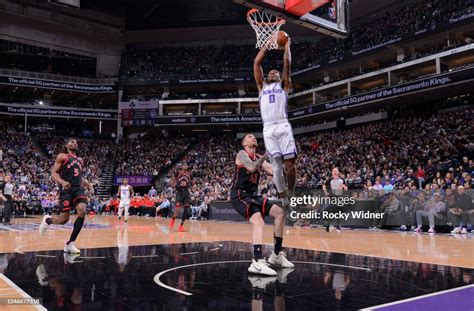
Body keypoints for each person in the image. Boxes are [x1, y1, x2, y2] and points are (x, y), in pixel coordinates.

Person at [231, 134, 294, 276]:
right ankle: (257, 261)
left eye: (254, 137)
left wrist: (283, 159)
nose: (253, 138)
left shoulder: (258, 156)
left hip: (253, 195)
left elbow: (274, 171)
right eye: (249, 137)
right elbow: (252, 167)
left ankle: (276, 255)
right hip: (240, 194)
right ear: (244, 143)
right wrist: (268, 153)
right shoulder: (242, 154)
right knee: (258, 221)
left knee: (279, 213)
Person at [253, 37, 296, 206]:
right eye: (270, 72)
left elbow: (287, 63)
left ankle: (291, 192)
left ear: (280, 77)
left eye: (275, 72)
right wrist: (266, 47)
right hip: (268, 128)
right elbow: (256, 64)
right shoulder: (261, 87)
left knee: (290, 166)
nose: (272, 72)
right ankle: (284, 199)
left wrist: (287, 46)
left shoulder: (284, 85)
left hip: (283, 124)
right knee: (276, 167)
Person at [39, 139, 93, 254]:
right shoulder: (62, 156)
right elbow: (53, 173)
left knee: (82, 211)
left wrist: (86, 183)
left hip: (78, 189)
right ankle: (48, 220)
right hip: (66, 189)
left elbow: (78, 176)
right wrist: (62, 182)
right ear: (66, 145)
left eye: (76, 142)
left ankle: (70, 243)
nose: (74, 143)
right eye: (71, 142)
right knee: (64, 219)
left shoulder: (80, 159)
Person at [169, 164, 192, 232]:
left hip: (186, 193)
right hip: (179, 193)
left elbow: (192, 181)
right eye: (183, 165)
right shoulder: (178, 173)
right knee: (177, 210)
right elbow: (175, 176)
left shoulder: (189, 174)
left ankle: (181, 226)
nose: (185, 166)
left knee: (186, 210)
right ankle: (173, 220)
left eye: (186, 165)